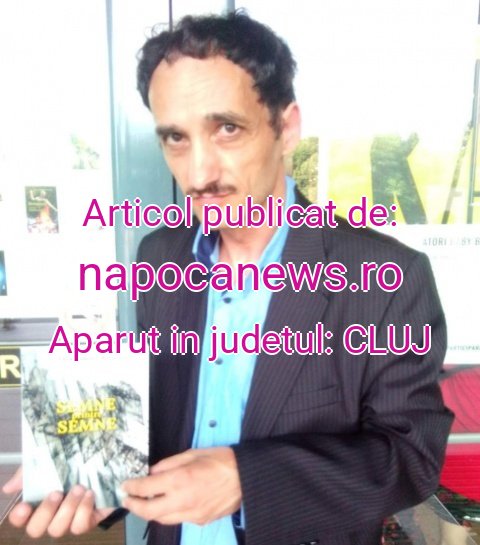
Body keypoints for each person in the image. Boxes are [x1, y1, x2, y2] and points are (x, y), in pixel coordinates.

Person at [3, 11, 453, 545]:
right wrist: (83, 469)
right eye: (176, 137)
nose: (199, 174)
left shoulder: (386, 277)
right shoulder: (160, 258)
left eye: (227, 129)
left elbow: (410, 457)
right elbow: (162, 424)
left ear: (286, 128)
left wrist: (247, 480)